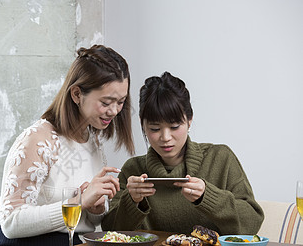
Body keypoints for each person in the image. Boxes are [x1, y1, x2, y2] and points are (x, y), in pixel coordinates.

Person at [0, 45, 135, 246]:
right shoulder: (38, 140)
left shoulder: (92, 139)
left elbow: (86, 217)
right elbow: (11, 222)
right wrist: (78, 202)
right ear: (77, 94)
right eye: (106, 102)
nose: (114, 111)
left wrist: (96, 207)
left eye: (121, 102)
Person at [101, 71, 264, 235]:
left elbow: (252, 222)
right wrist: (132, 201)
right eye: (155, 129)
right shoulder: (134, 170)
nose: (165, 137)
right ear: (143, 125)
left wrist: (208, 197)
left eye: (174, 127)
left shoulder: (220, 158)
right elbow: (109, 231)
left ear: (189, 120)